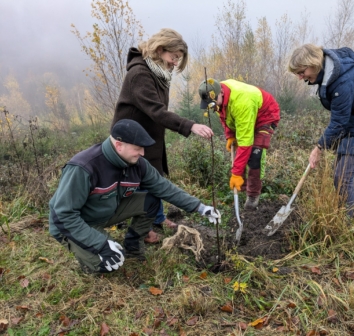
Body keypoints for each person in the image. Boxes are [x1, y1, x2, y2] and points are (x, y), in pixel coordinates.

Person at [49, 119, 220, 274]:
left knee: (152, 200)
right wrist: (100, 244)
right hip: (73, 225)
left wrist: (200, 207)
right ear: (119, 145)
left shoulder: (137, 164)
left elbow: (164, 188)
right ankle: (91, 259)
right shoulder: (84, 167)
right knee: (108, 264)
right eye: (137, 148)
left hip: (106, 214)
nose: (143, 153)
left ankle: (133, 245)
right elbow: (64, 215)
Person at [111, 28, 214, 241]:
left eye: (178, 59)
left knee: (156, 176)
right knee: (141, 184)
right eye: (173, 57)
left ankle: (157, 217)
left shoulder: (159, 74)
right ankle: (142, 227)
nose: (175, 63)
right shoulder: (139, 74)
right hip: (132, 138)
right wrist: (189, 126)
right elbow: (156, 110)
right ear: (160, 49)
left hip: (150, 135)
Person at [288, 44, 354, 217]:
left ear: (314, 63)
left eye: (302, 72)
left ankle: (347, 223)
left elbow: (339, 121)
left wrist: (318, 148)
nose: (300, 77)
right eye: (298, 74)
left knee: (343, 175)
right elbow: (341, 116)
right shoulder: (330, 74)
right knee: (339, 172)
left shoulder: (341, 80)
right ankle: (341, 212)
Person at [198, 78, 281, 210]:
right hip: (246, 113)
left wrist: (235, 173)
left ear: (221, 93)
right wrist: (230, 135)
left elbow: (246, 143)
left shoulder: (241, 103)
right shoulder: (217, 92)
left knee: (255, 155)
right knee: (241, 153)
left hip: (265, 115)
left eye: (212, 103)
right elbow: (225, 115)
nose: (212, 107)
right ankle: (241, 188)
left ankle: (253, 196)